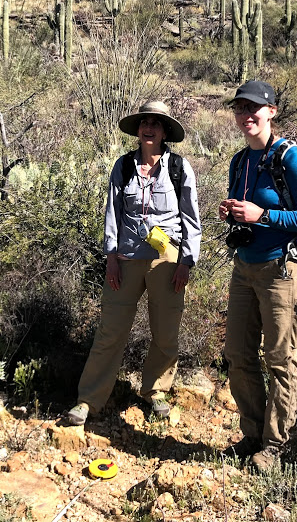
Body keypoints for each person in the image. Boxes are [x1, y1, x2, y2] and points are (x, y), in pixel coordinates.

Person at [65, 101, 201, 426]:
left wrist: (186, 261)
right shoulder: (123, 166)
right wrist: (110, 257)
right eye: (144, 123)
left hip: (167, 260)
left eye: (156, 123)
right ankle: (88, 400)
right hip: (125, 259)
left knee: (165, 332)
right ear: (138, 130)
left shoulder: (180, 167)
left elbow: (191, 218)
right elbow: (112, 213)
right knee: (110, 331)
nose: (149, 128)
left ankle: (155, 390)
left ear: (165, 131)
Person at [218, 80, 297, 471]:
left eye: (254, 108)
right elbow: (245, 206)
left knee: (280, 357)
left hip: (283, 269)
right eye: (240, 108)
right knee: (238, 354)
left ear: (271, 111)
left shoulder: (290, 158)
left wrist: (262, 215)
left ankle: (275, 445)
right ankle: (252, 434)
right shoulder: (240, 161)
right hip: (245, 265)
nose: (247, 116)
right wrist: (233, 212)